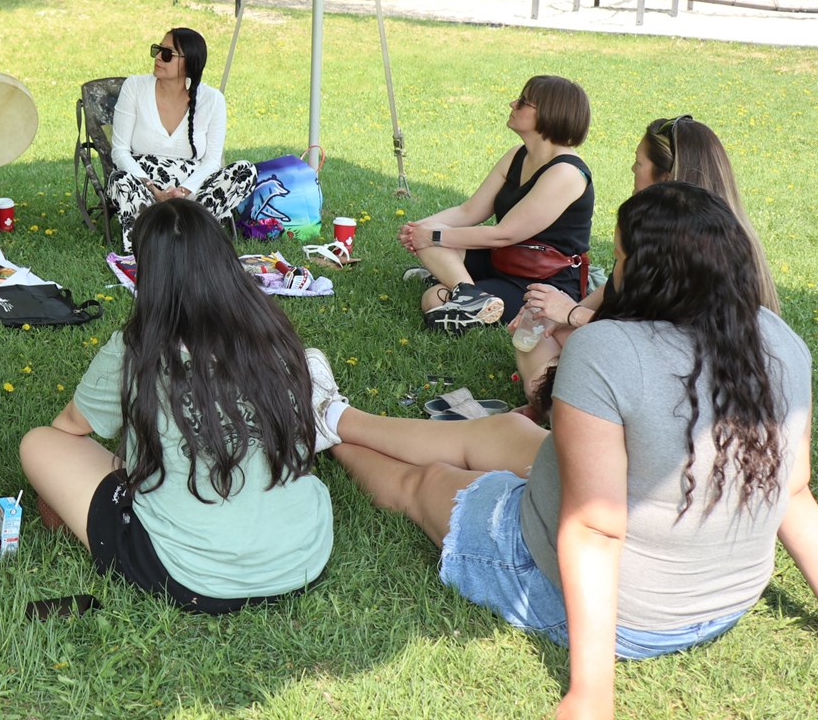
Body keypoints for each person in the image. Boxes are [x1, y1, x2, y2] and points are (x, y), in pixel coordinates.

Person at [315, 182, 817, 720]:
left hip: (623, 613)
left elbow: (595, 529)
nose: (613, 272)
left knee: (430, 482)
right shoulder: (776, 337)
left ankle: (323, 433)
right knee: (504, 433)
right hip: (725, 602)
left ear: (646, 269)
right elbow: (794, 492)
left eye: (619, 258)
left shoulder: (609, 349)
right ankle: (339, 415)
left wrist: (590, 694)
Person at [19, 198, 333, 613]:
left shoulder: (136, 349)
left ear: (148, 275)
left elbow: (69, 428)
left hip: (189, 574)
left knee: (39, 443)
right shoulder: (275, 334)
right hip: (303, 554)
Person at [513, 114, 780, 407]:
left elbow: (664, 347)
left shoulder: (684, 251)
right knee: (543, 332)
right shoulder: (688, 234)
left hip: (675, 388)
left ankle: (555, 405)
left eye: (638, 163)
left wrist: (573, 315)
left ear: (664, 178)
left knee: (545, 361)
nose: (632, 169)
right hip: (650, 367)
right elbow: (609, 302)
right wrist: (558, 311)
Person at [399, 75, 593, 332]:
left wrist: (432, 237)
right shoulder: (517, 155)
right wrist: (418, 229)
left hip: (539, 281)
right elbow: (469, 211)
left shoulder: (566, 173)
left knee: (434, 298)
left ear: (549, 114)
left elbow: (503, 235)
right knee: (431, 232)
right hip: (502, 260)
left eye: (523, 102)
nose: (513, 103)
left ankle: (461, 288)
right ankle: (468, 292)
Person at [106, 28, 257, 251]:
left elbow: (212, 161)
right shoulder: (135, 87)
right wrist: (152, 188)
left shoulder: (212, 100)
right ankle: (148, 245)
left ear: (189, 63)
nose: (158, 57)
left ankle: (194, 232)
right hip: (144, 185)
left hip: (191, 189)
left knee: (246, 171)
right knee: (120, 180)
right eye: (157, 50)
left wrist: (183, 192)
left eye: (167, 54)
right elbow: (119, 150)